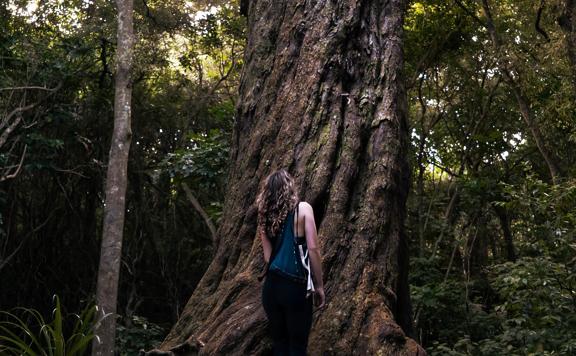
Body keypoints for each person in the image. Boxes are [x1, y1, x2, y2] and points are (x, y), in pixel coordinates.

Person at [257, 169, 325, 356]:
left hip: (271, 289)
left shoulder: (264, 215)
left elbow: (267, 257)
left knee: (280, 343)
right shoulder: (303, 209)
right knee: (297, 347)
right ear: (290, 188)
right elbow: (313, 249)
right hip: (295, 287)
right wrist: (319, 286)